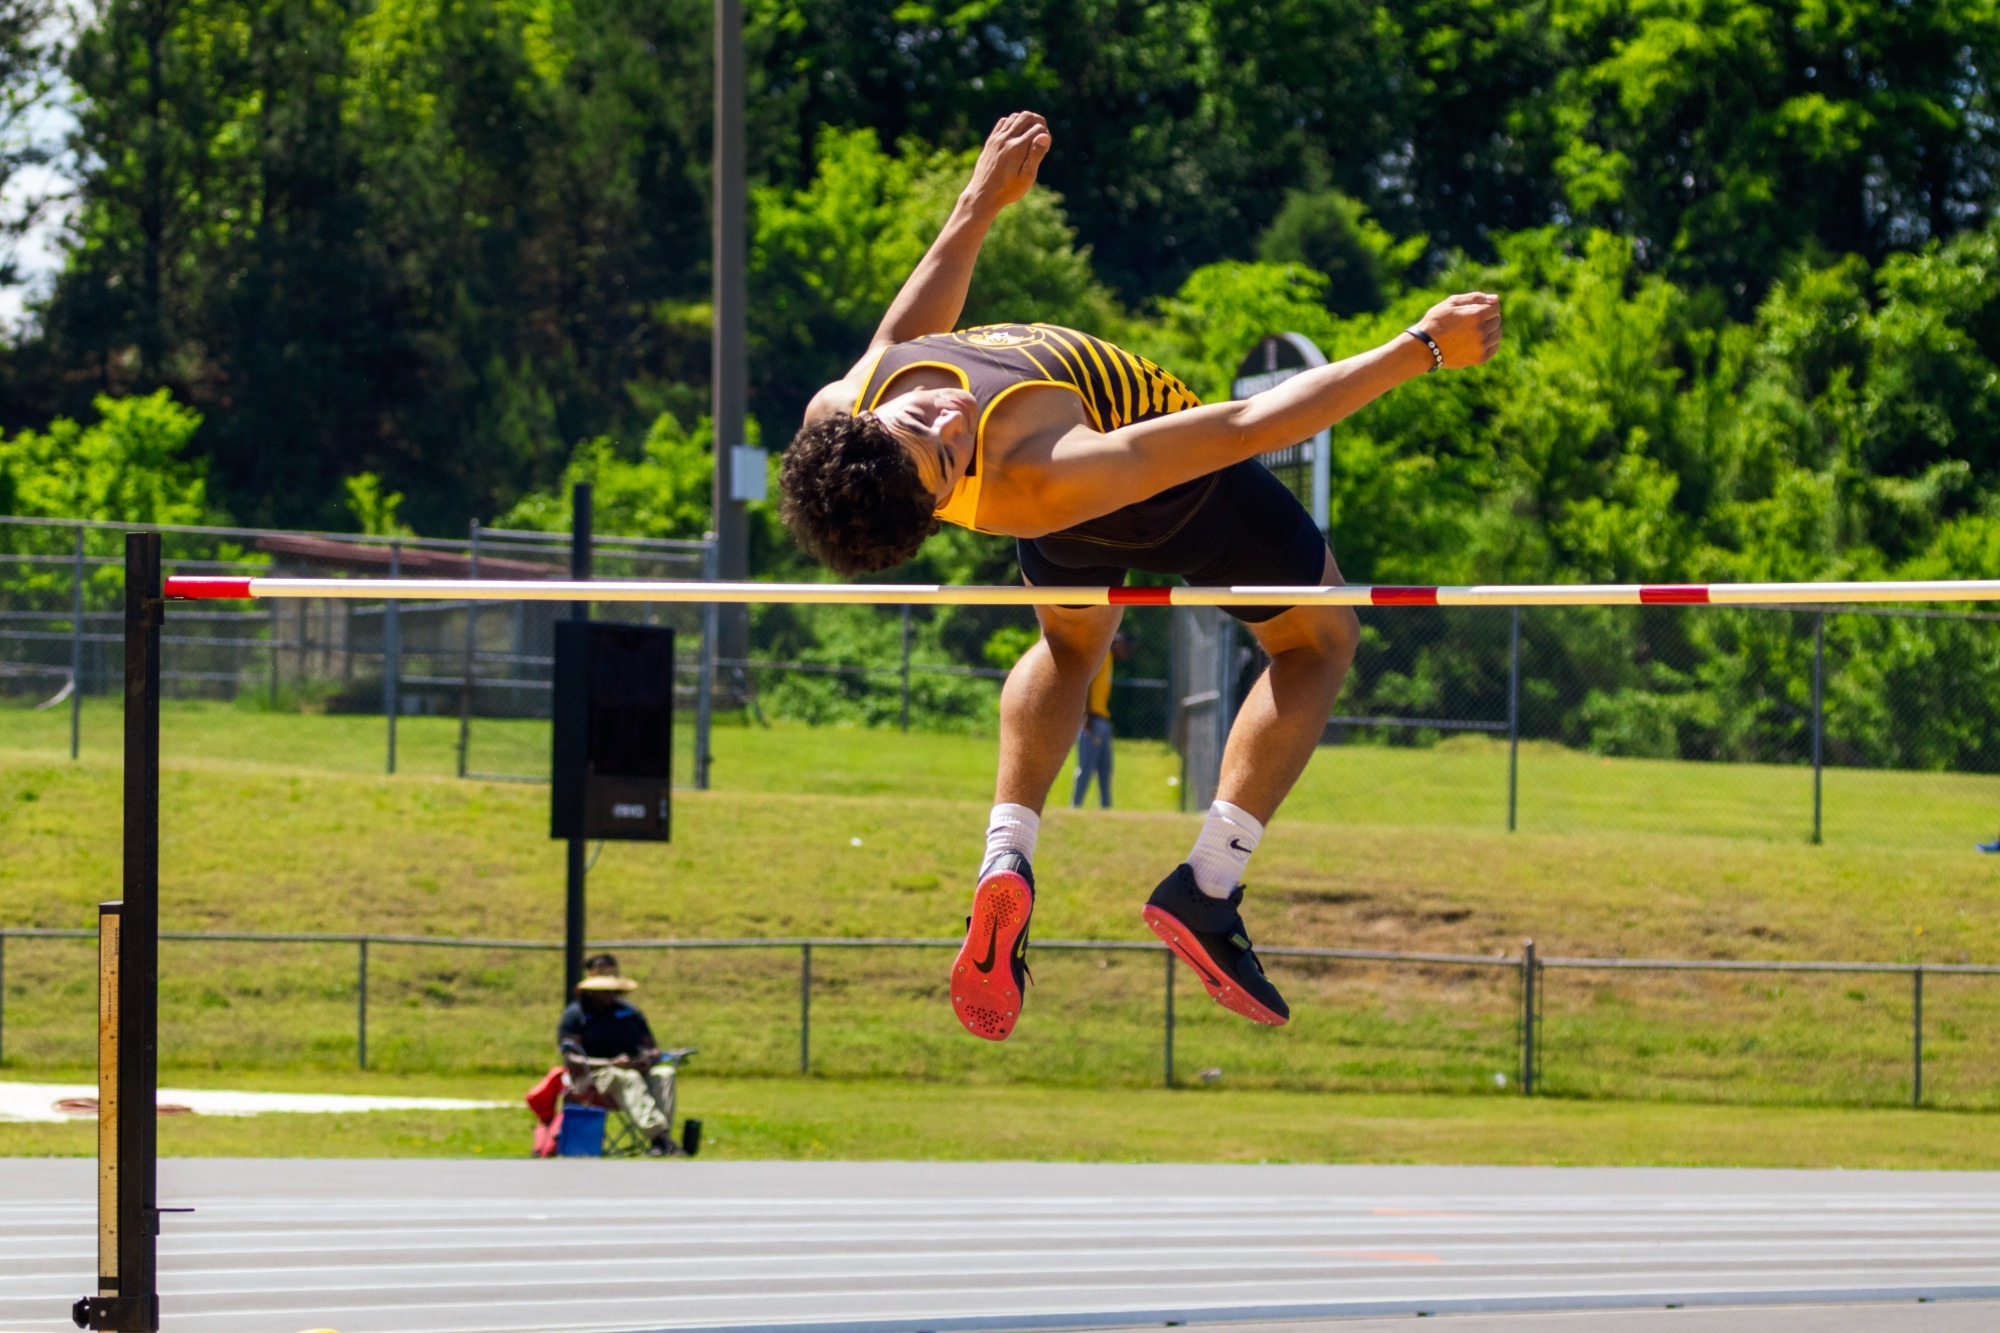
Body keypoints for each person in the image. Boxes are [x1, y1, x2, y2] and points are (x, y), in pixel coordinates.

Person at [778, 111, 1502, 1042]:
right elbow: (1247, 429)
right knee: (1321, 639)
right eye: (950, 457)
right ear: (947, 499)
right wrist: (1420, 350)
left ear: (862, 420)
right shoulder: (1043, 473)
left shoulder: (844, 404)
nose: (948, 416)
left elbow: (906, 332)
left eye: (922, 424)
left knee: (1072, 639)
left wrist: (981, 200)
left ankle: (1008, 855)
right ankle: (1209, 882)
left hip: (1066, 529)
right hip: (1164, 493)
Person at [556, 965, 681, 1156]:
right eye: (604, 991)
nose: (611, 995)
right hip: (593, 1077)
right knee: (627, 1077)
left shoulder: (629, 1013)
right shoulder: (576, 1014)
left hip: (633, 1069)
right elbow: (571, 1059)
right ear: (591, 992)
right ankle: (659, 1138)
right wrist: (611, 1063)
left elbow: (650, 1045)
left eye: (614, 990)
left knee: (665, 1073)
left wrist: (648, 1057)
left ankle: (662, 1137)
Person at [1072, 631, 1129, 808]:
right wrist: (1086, 714)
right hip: (1092, 719)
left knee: (1105, 769)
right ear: (1115, 642)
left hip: (1103, 720)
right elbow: (1085, 682)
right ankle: (1075, 806)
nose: (1125, 650)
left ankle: (1106, 808)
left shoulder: (1110, 658)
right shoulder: (1101, 656)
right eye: (1123, 645)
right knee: (1086, 768)